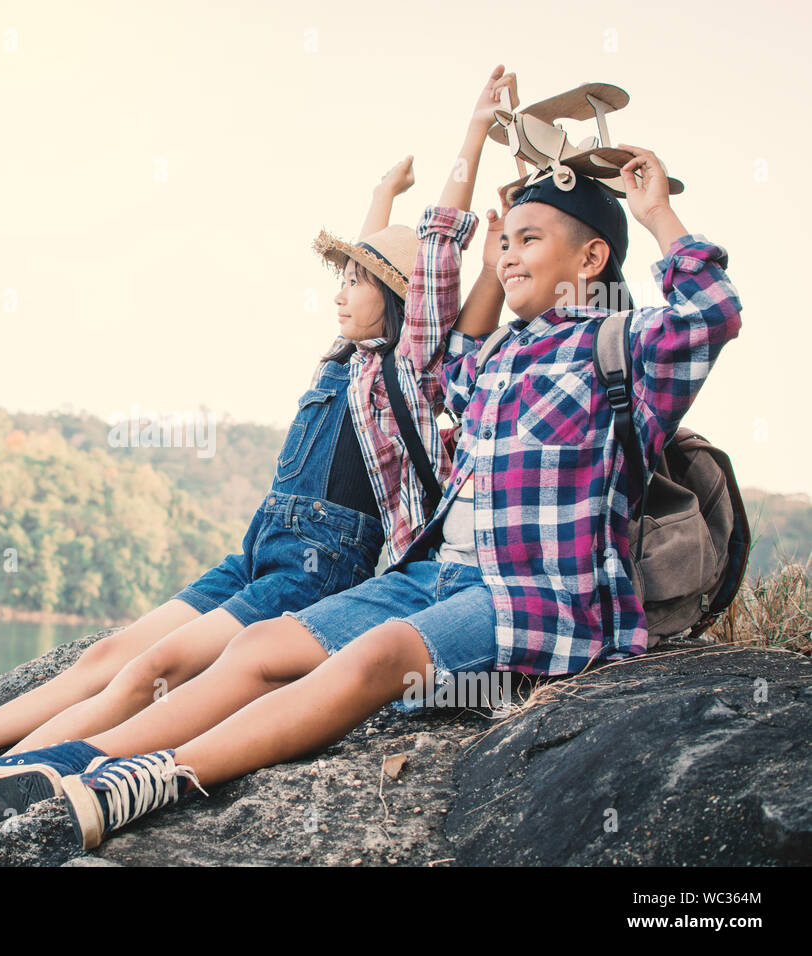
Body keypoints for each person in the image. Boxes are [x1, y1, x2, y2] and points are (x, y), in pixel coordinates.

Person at [53, 118, 744, 852]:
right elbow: (450, 350)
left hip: (537, 598)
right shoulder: (503, 356)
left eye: (529, 241)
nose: (509, 257)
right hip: (437, 577)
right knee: (260, 649)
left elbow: (713, 311)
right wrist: (489, 242)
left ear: (593, 255)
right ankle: (74, 761)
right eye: (505, 242)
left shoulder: (622, 347)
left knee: (379, 656)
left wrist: (657, 210)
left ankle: (153, 778)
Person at [0, 140, 505, 835]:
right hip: (259, 547)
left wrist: (478, 129)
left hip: (316, 568)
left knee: (153, 669)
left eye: (360, 280)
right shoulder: (344, 359)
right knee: (108, 654)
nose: (340, 289)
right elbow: (371, 261)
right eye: (342, 275)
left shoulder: (411, 373)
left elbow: (434, 260)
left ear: (400, 299)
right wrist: (381, 194)